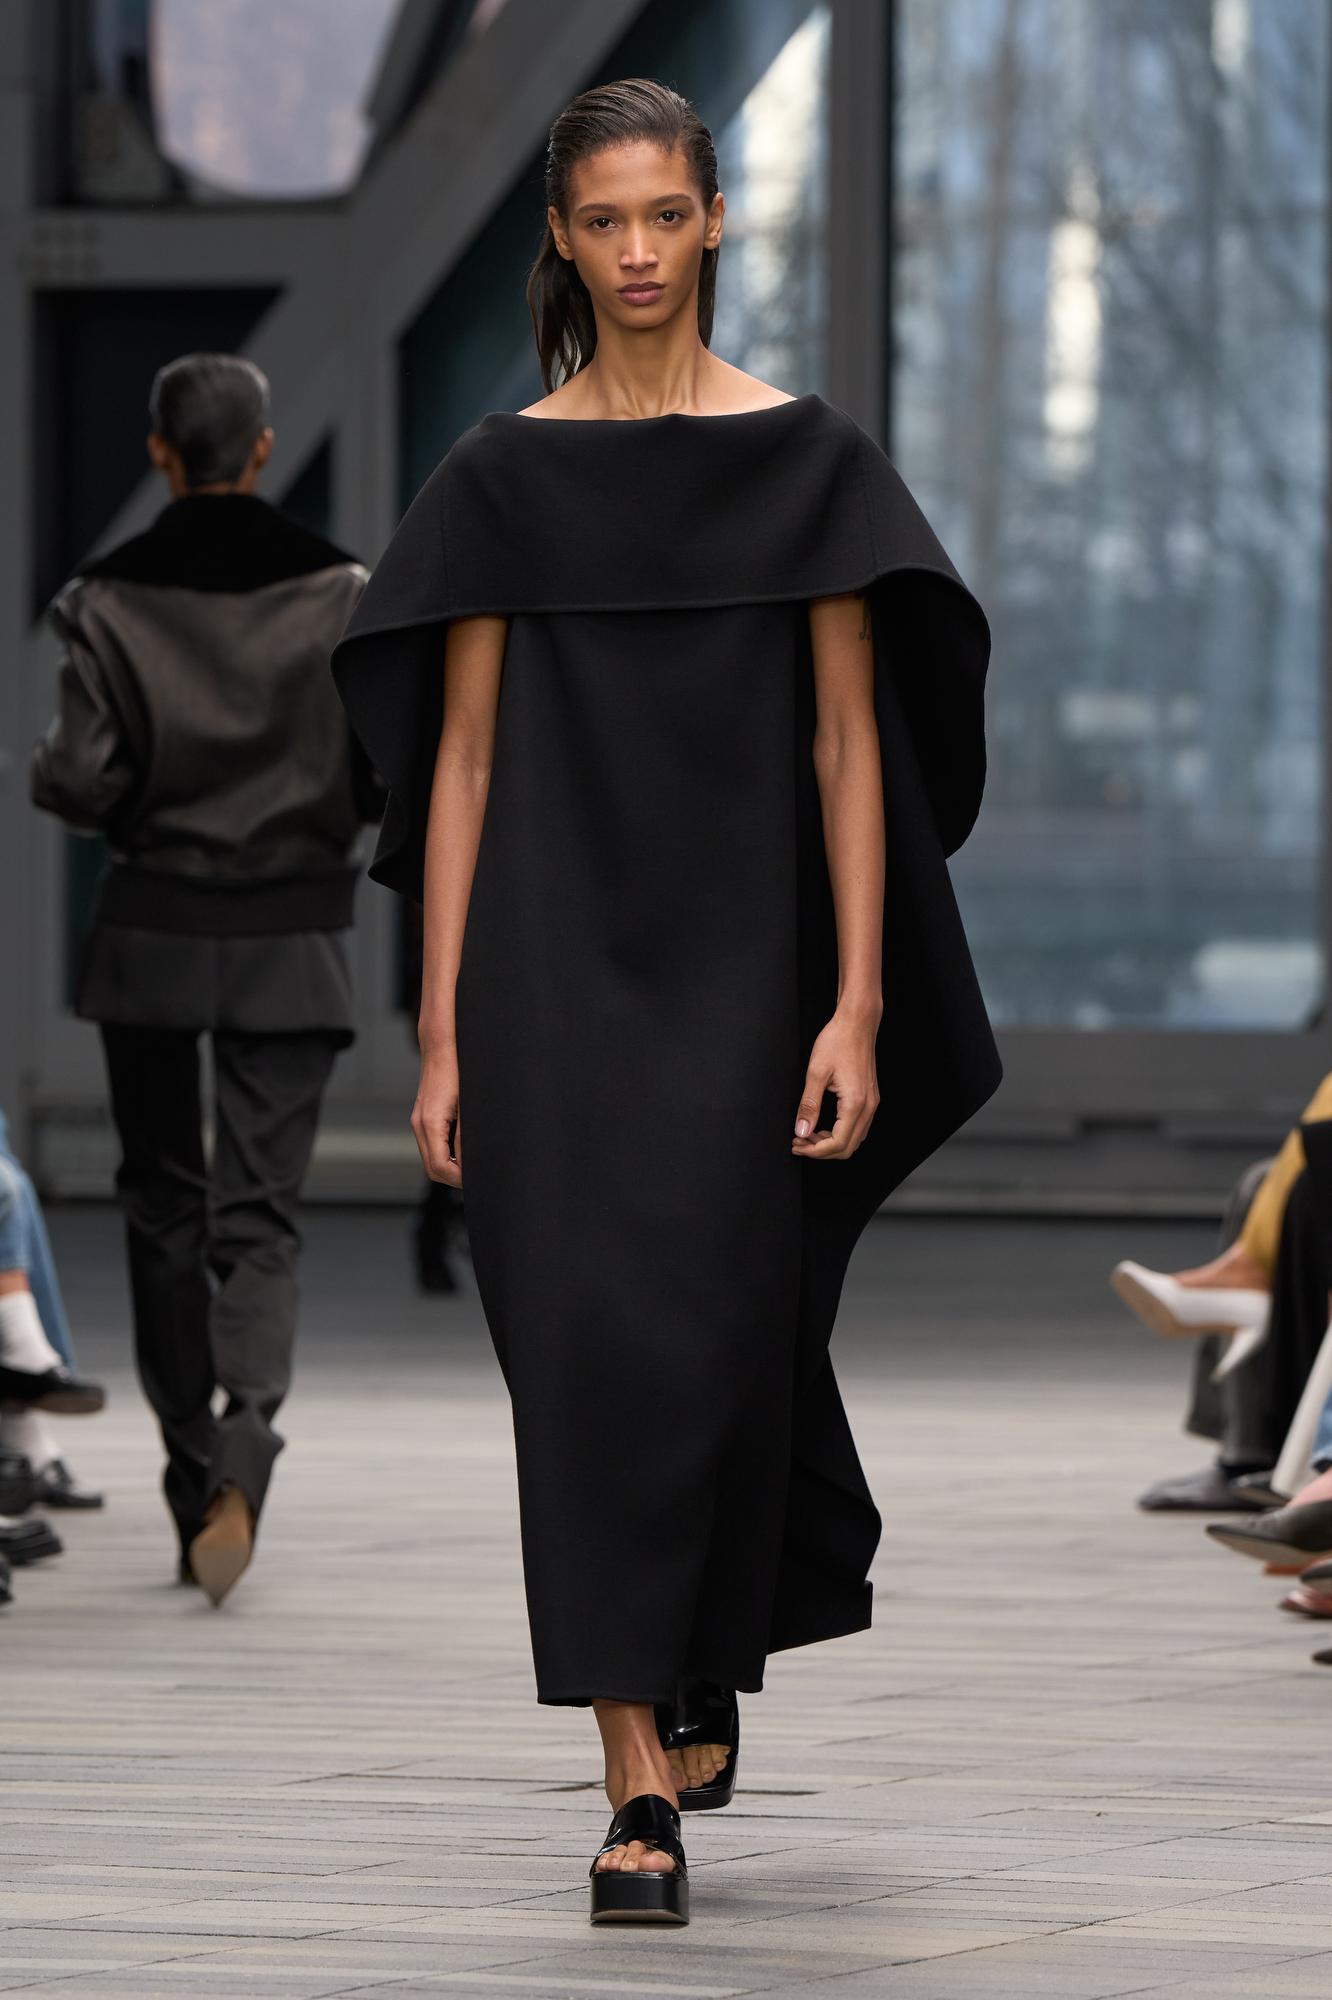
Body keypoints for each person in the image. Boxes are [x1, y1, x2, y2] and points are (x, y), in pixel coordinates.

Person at [333, 78, 999, 1925]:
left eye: (665, 215)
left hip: (744, 981)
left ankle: (698, 1650)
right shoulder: (501, 480)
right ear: (562, 238)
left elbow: (850, 746)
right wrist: (443, 1032)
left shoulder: (808, 464)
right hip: (547, 985)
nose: (637, 251)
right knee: (577, 1365)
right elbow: (460, 768)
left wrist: (856, 1004)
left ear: (715, 221)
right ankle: (633, 1779)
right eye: (603, 220)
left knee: (716, 1338)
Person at [31, 352, 379, 1607]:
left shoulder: (106, 600)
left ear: (161, 452)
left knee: (163, 1212)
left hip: (153, 936)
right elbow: (381, 772)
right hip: (293, 935)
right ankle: (247, 1439)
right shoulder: (343, 592)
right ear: (265, 448)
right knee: (260, 1217)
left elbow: (83, 780)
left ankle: (192, 1483)